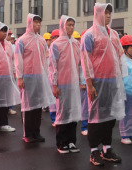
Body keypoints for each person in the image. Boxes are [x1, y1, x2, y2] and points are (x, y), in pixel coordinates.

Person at [81, 3, 126, 166]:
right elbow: (85, 60)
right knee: (96, 116)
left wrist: (120, 78)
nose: (108, 16)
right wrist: (89, 84)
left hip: (112, 80)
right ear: (97, 14)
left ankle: (107, 148)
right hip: (97, 81)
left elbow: (119, 56)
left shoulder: (113, 34)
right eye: (105, 13)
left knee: (109, 115)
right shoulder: (89, 35)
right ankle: (94, 150)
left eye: (109, 13)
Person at [15, 14, 55, 143]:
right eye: (36, 22)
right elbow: (18, 60)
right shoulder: (22, 41)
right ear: (30, 23)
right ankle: (27, 134)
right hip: (27, 76)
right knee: (28, 106)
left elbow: (46, 58)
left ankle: (36, 132)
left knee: (38, 105)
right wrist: (20, 77)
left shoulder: (42, 41)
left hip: (39, 76)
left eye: (39, 22)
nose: (38, 25)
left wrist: (46, 74)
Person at [49, 16, 83, 154]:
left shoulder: (76, 43)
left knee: (73, 111)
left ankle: (71, 141)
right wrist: (54, 84)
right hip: (62, 84)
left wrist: (81, 80)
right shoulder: (56, 44)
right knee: (63, 112)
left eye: (73, 25)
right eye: (68, 25)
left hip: (73, 84)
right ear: (63, 26)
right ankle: (61, 142)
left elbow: (80, 64)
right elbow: (53, 66)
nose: (71, 27)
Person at [75, 30, 89, 136]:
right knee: (85, 106)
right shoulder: (80, 51)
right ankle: (84, 126)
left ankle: (91, 125)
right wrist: (82, 81)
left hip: (93, 81)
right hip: (84, 82)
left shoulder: (91, 50)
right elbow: (79, 68)